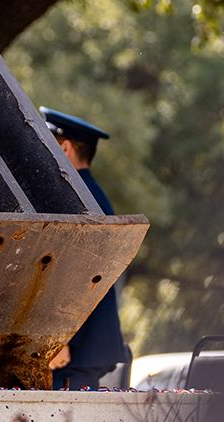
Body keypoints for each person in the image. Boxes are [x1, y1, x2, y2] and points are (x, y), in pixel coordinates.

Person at [41, 106, 130, 390]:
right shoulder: (89, 194)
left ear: (65, 148)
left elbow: (78, 274)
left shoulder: (79, 198)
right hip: (79, 350)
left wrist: (59, 339)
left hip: (70, 354)